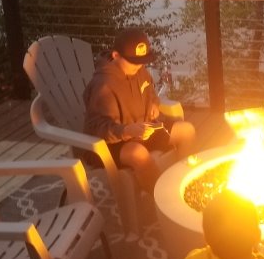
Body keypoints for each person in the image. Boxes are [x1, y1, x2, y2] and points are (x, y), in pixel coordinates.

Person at [82, 27, 195, 191]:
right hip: (113, 143)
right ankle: (161, 197)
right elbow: (96, 128)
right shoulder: (103, 85)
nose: (139, 66)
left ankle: (185, 182)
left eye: (142, 61)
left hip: (143, 130)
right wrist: (127, 130)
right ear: (116, 56)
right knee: (137, 153)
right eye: (133, 62)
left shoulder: (139, 70)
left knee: (187, 130)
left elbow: (150, 92)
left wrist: (154, 104)